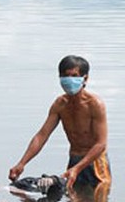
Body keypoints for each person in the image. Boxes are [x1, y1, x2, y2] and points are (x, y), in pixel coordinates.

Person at [9, 55, 110, 189]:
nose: (70, 80)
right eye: (65, 76)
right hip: (74, 159)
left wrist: (78, 168)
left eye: (74, 76)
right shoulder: (60, 105)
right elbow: (41, 136)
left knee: (98, 201)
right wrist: (21, 163)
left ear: (85, 78)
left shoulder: (94, 104)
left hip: (95, 162)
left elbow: (101, 144)